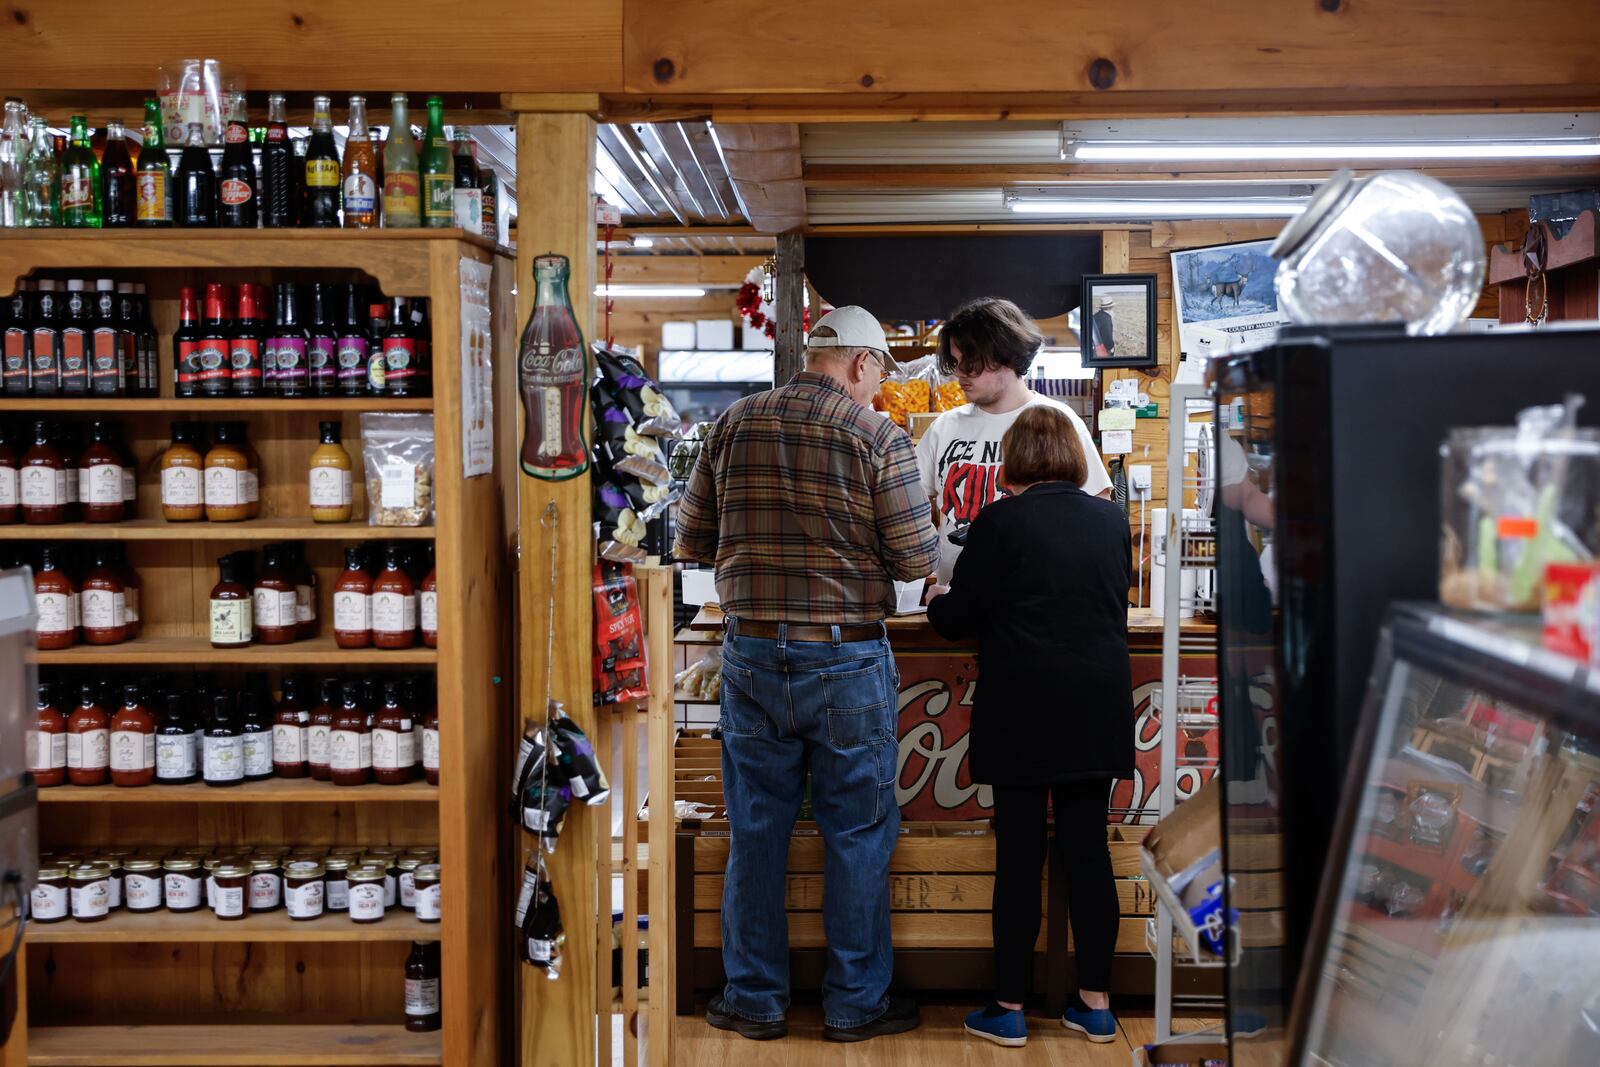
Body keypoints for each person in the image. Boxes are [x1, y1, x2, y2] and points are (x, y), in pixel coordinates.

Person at [676, 305, 939, 1044]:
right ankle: (856, 1002)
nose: (881, 389)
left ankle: (753, 997)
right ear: (860, 362)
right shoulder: (879, 437)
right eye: (881, 373)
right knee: (856, 831)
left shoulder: (732, 423)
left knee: (757, 827)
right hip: (848, 657)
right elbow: (918, 561)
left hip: (752, 654)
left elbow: (692, 538)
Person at [925, 403, 1134, 1048]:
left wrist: (935, 598)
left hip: (1021, 706)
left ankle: (1009, 1008)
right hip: (1097, 704)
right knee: (1087, 852)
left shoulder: (1000, 522)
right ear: (1072, 457)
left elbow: (960, 616)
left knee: (1019, 858)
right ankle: (1096, 1005)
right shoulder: (1111, 521)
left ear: (1014, 462)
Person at [916, 296, 1112, 586]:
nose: (959, 374)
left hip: (1032, 604)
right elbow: (910, 503)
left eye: (970, 363)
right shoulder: (944, 427)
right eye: (956, 363)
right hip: (954, 604)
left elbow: (1098, 510)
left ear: (1005, 356)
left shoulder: (1057, 423)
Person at [1089, 295, 1117, 360]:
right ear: (1110, 308)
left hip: (1093, 349)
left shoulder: (1095, 316)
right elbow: (1107, 337)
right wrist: (1111, 348)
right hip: (1103, 350)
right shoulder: (1107, 319)